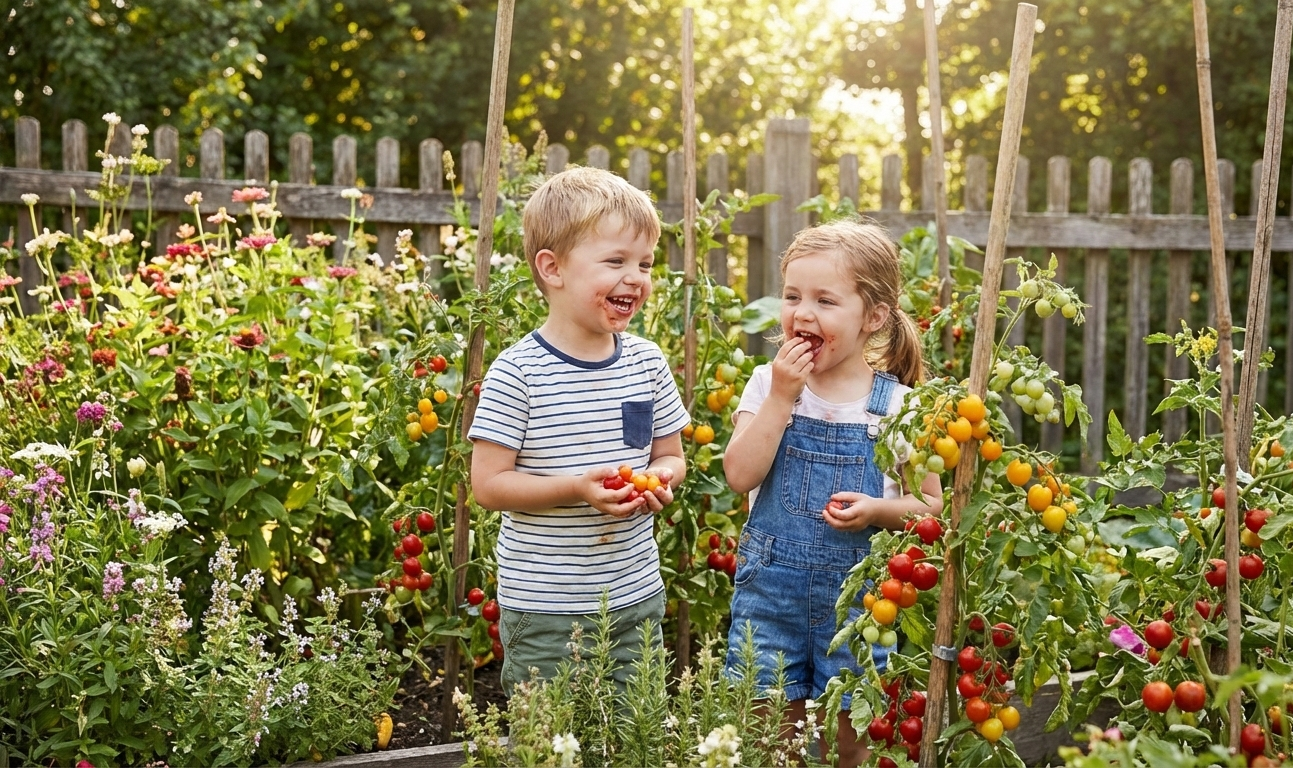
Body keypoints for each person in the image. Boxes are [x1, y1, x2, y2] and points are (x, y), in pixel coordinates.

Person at [722, 219, 944, 767]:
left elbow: (931, 507)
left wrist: (879, 511)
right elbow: (739, 475)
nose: (802, 312)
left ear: (873, 318)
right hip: (769, 593)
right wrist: (781, 398)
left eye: (825, 300)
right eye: (793, 295)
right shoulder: (765, 385)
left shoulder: (899, 408)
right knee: (771, 736)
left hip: (862, 601)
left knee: (858, 738)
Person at [469, 166, 689, 693]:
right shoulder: (518, 372)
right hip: (546, 607)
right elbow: (490, 485)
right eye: (615, 261)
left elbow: (672, 456)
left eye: (645, 263)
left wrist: (658, 478)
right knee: (549, 736)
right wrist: (576, 488)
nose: (635, 277)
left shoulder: (647, 362)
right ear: (552, 268)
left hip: (635, 594)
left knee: (636, 731)